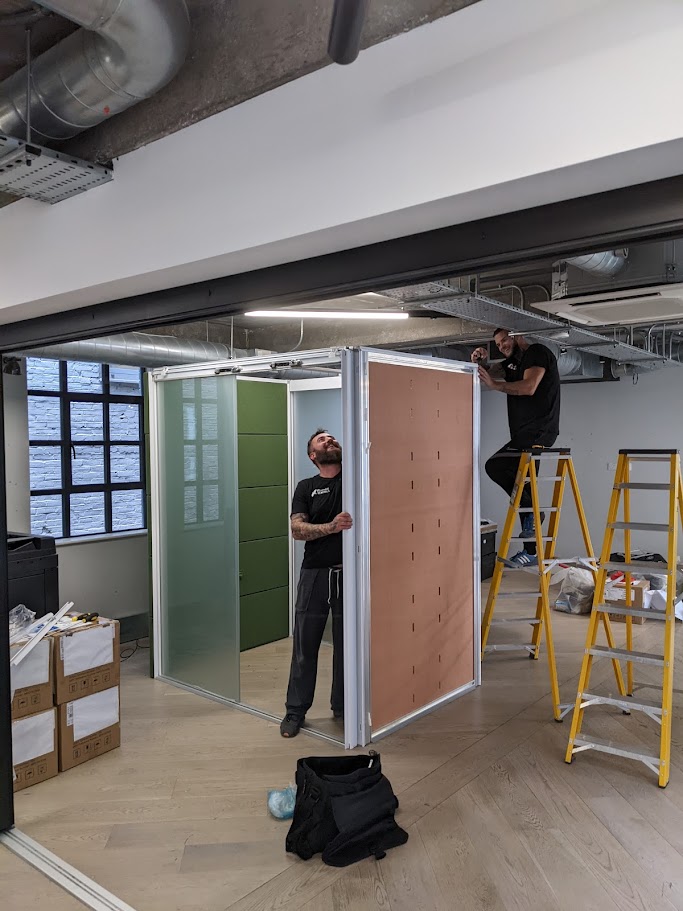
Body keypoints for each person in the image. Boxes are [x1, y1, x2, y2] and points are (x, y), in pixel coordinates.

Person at [280, 429, 353, 738]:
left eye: (332, 438)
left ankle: (344, 705)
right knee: (305, 645)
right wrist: (332, 527)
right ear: (313, 455)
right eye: (322, 440)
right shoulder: (306, 487)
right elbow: (297, 530)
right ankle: (295, 711)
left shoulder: (353, 481)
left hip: (349, 574)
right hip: (315, 575)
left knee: (348, 645)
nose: (330, 440)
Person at [472, 328, 560, 567]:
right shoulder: (512, 363)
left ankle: (534, 515)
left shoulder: (537, 352)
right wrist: (481, 360)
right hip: (523, 434)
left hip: (539, 430)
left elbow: (530, 386)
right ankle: (531, 548)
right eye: (498, 345)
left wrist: (495, 385)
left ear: (516, 334)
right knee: (521, 484)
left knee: (496, 466)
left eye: (504, 341)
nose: (501, 347)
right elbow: (488, 372)